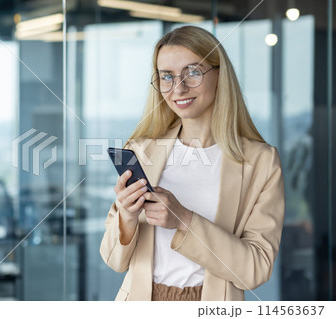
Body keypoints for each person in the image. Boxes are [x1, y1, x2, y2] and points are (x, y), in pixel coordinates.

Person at [99, 25, 285, 301]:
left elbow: (256, 270)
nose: (179, 88)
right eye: (167, 77)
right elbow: (115, 261)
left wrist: (184, 219)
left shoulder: (261, 162)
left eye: (193, 72)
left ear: (219, 75)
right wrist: (126, 217)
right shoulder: (141, 150)